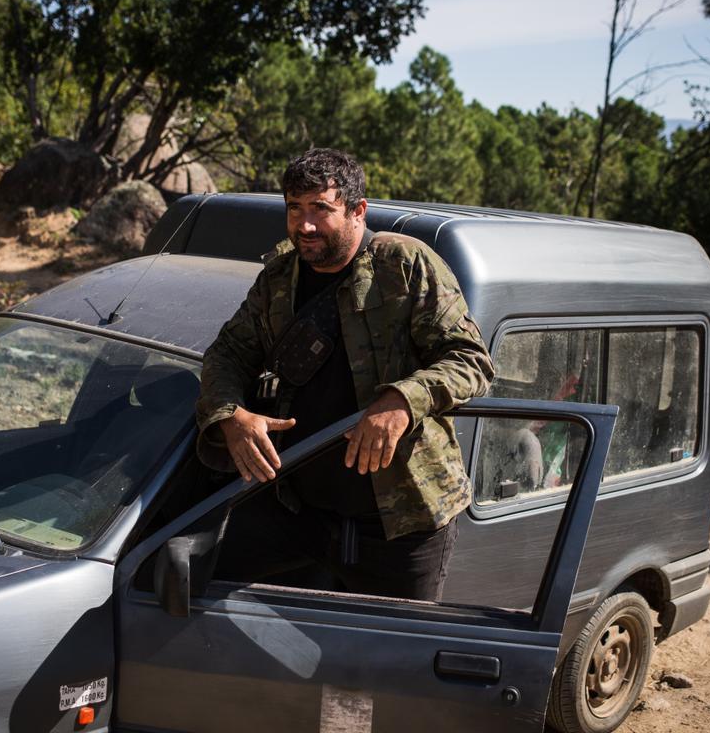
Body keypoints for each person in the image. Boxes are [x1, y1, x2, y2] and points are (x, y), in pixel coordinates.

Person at [195, 148, 493, 601]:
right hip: (295, 508)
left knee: (390, 659)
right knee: (203, 596)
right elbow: (228, 354)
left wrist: (401, 400)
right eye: (295, 208)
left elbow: (471, 360)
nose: (305, 225)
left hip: (402, 522)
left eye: (321, 209)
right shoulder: (278, 277)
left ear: (358, 211)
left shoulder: (406, 267)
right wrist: (230, 416)